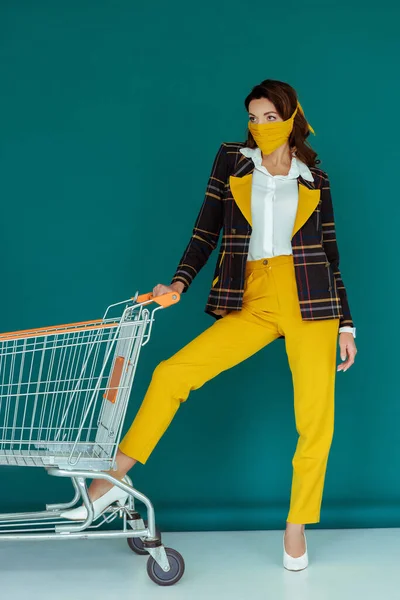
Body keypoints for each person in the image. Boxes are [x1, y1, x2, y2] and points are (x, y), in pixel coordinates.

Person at [62, 78, 357, 571]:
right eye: (253, 117)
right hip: (254, 296)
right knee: (172, 374)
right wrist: (178, 283)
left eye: (269, 116)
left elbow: (330, 254)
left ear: (290, 117)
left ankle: (296, 523)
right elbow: (205, 229)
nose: (260, 125)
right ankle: (110, 483)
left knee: (315, 419)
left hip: (313, 302)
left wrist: (347, 324)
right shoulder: (233, 159)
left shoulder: (314, 177)